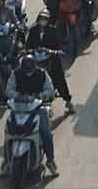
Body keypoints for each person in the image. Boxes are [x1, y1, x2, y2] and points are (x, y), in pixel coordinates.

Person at [8, 50, 60, 179]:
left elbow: (50, 90)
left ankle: (50, 161)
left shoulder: (42, 74)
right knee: (8, 131)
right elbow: (8, 90)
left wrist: (40, 96)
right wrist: (19, 96)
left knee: (46, 133)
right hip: (19, 108)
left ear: (35, 67)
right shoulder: (15, 74)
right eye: (26, 71)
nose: (28, 73)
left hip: (38, 108)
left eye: (30, 70)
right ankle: (6, 162)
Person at [24, 10, 76, 112]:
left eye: (45, 20)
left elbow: (58, 46)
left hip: (50, 59)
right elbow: (28, 46)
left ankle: (68, 101)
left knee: (59, 78)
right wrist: (32, 51)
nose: (43, 22)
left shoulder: (53, 31)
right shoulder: (33, 31)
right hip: (36, 60)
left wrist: (51, 51)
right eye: (41, 19)